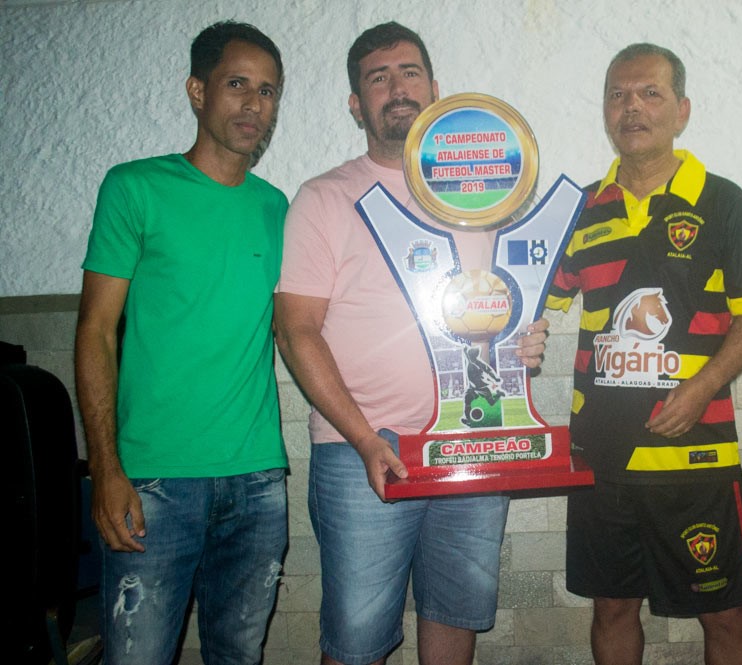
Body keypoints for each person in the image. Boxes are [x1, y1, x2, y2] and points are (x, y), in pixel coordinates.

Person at [273, 22, 548, 665]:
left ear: (435, 89)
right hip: (362, 448)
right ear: (355, 103)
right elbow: (295, 329)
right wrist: (365, 439)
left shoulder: (486, 195)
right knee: (356, 642)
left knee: (455, 616)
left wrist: (522, 341)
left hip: (474, 439)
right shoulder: (324, 197)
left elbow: (499, 307)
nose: (397, 88)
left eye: (409, 73)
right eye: (379, 78)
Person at [546, 43, 742, 665]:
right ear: (604, 110)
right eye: (618, 95)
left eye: (650, 93)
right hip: (602, 453)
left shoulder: (723, 202)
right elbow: (541, 306)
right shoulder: (579, 210)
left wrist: (701, 389)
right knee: (611, 609)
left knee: (725, 612)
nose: (632, 107)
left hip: (695, 453)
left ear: (682, 109)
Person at [74, 21, 288, 665]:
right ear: (198, 91)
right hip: (153, 483)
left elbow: (304, 326)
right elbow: (94, 331)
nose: (254, 104)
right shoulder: (134, 188)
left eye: (268, 91)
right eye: (237, 84)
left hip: (257, 481)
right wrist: (106, 470)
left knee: (239, 657)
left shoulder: (277, 208)